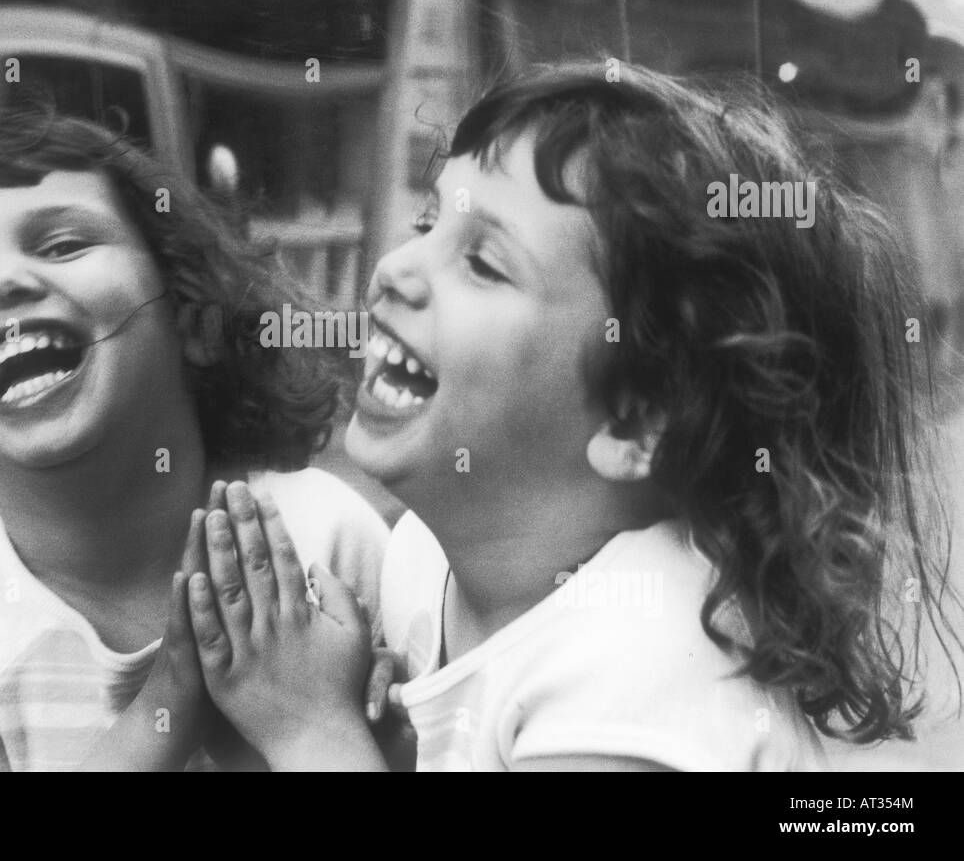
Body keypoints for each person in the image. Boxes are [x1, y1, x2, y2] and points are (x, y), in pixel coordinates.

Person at [184, 61, 961, 771]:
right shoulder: (423, 561)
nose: (395, 270)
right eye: (429, 224)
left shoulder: (640, 667)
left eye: (483, 263)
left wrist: (314, 732)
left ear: (631, 421)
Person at [0, 106, 389, 770]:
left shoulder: (322, 535)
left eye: (61, 244)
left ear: (195, 322)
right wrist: (169, 701)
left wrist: (365, 719)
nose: (2, 283)